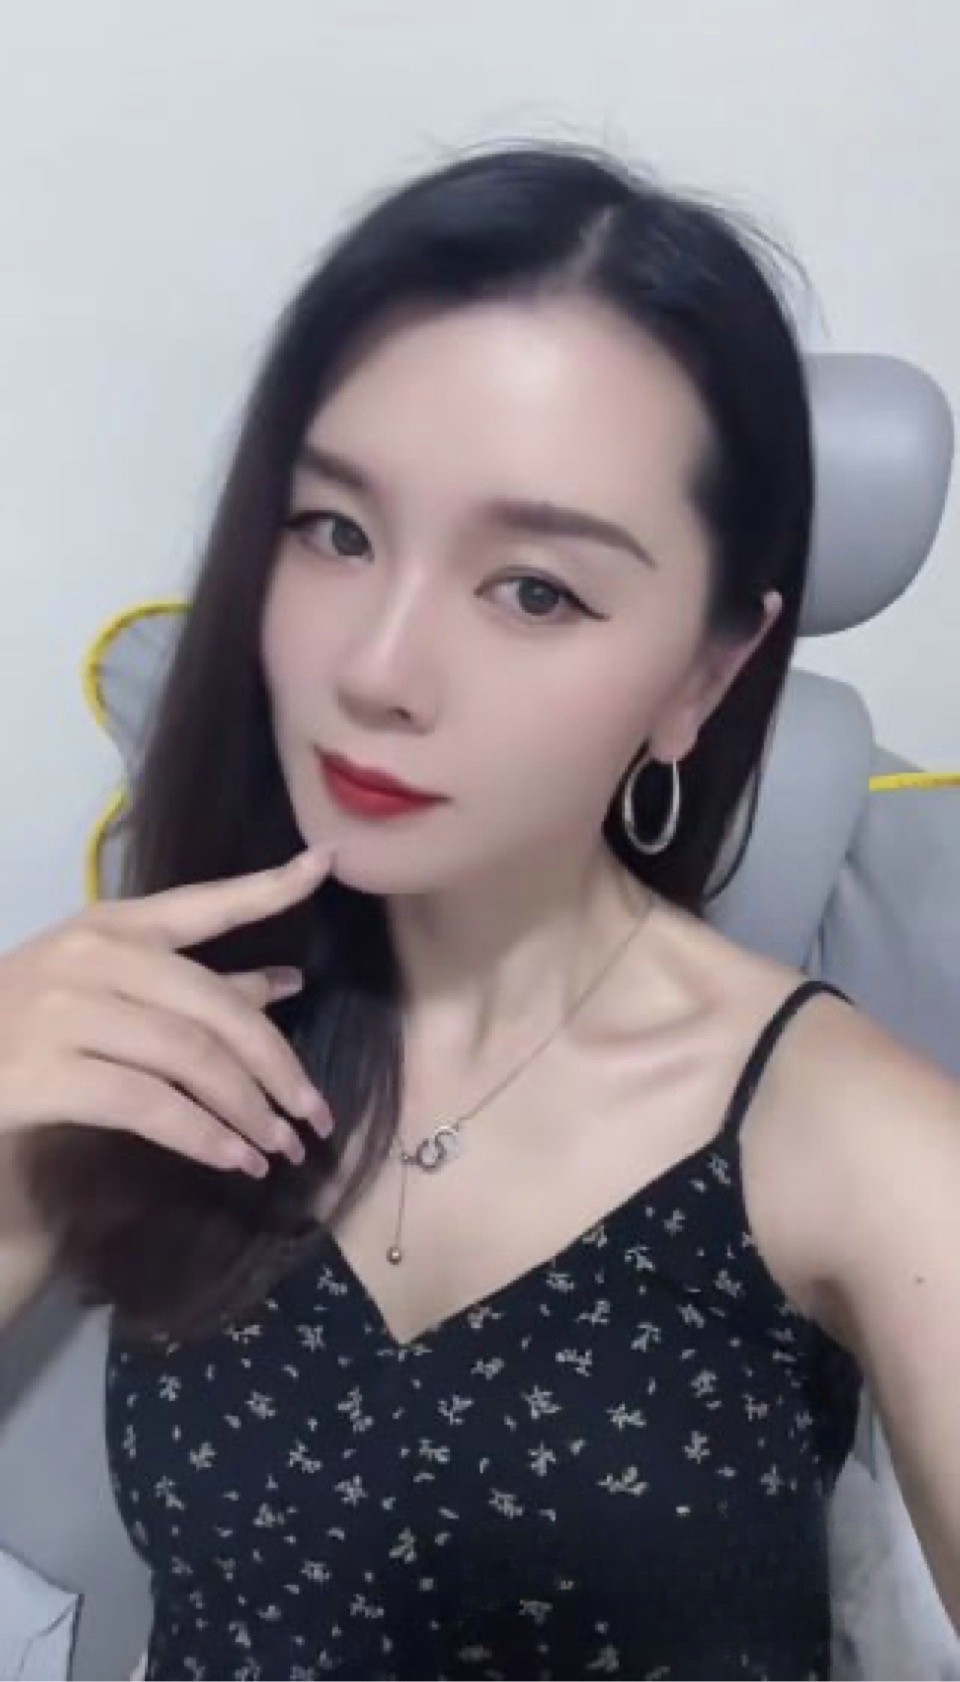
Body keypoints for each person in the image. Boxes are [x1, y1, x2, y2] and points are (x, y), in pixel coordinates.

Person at [1, 140, 958, 1681]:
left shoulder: (856, 1142)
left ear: (706, 673)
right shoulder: (169, 1027)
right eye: (336, 530)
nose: (377, 667)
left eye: (535, 590)